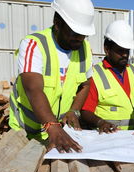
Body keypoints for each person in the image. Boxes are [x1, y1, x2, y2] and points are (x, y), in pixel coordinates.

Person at [8, 0, 95, 153]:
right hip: (25, 133)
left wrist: (74, 111)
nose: (80, 39)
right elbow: (33, 89)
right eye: (75, 32)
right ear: (57, 23)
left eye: (83, 34)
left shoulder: (84, 49)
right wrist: (51, 126)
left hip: (60, 132)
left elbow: (85, 85)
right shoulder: (33, 45)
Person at [81, 20, 134, 133]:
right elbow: (85, 111)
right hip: (110, 140)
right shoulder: (95, 74)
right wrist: (100, 123)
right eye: (120, 51)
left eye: (127, 50)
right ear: (107, 49)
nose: (125, 54)